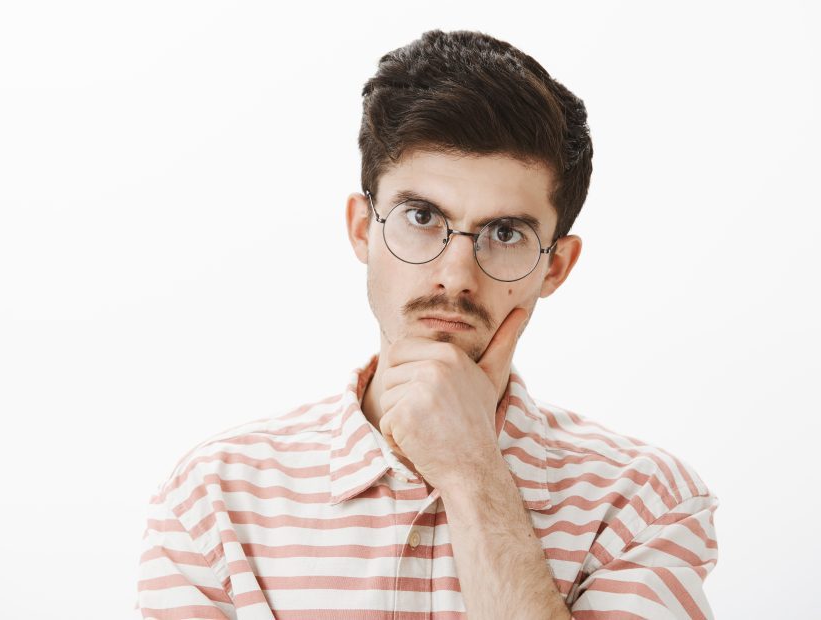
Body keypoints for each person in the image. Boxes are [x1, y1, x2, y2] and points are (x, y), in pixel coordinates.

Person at [136, 29, 718, 619]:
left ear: (556, 266)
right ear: (363, 229)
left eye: (505, 233)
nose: (456, 275)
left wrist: (473, 472)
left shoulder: (643, 503)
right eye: (421, 217)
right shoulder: (213, 501)